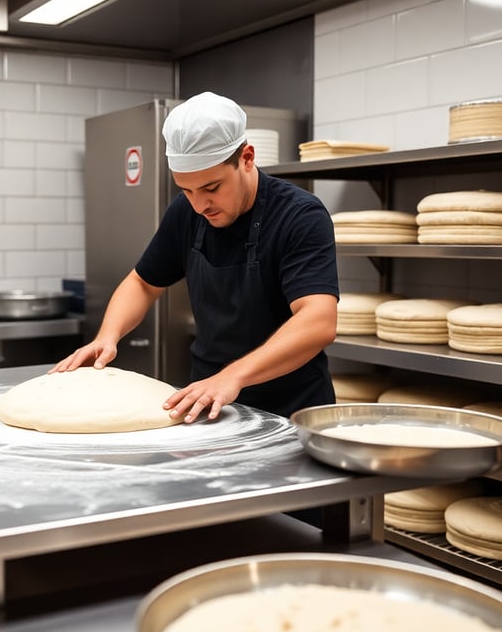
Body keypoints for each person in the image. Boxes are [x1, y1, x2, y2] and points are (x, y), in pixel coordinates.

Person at [51, 91, 339, 421]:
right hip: (212, 405)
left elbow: (318, 321)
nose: (200, 205)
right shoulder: (187, 213)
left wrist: (233, 377)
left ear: (246, 158)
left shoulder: (299, 215)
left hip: (292, 411)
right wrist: (108, 335)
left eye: (212, 188)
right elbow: (143, 283)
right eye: (186, 190)